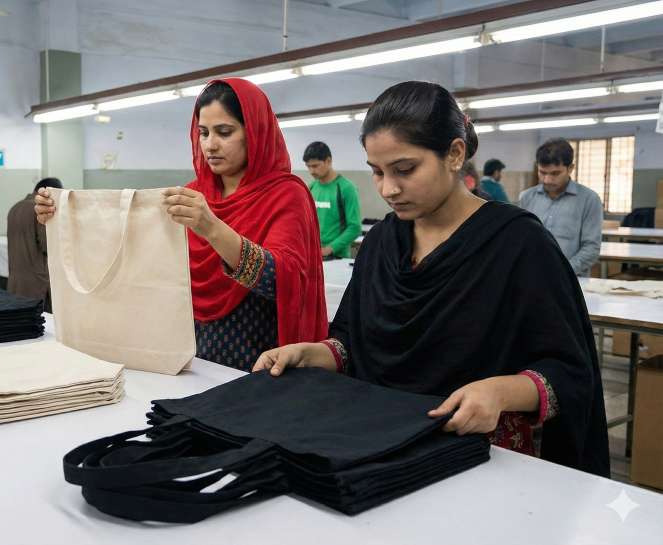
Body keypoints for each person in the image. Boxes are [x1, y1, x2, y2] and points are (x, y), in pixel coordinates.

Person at [252, 81, 609, 477]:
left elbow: (570, 374)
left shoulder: (518, 245)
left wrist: (498, 391)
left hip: (479, 459)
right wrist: (308, 354)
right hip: (375, 448)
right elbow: (353, 345)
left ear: (455, 154)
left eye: (405, 170)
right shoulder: (382, 243)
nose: (389, 188)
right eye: (377, 172)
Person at [35, 79, 328, 371]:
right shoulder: (192, 196)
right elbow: (135, 255)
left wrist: (213, 228)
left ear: (255, 132)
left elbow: (285, 280)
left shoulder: (287, 195)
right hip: (188, 361)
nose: (210, 144)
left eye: (224, 132)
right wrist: (64, 218)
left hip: (256, 361)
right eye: (203, 133)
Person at [519, 138, 603, 277]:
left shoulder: (589, 200)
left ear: (570, 168)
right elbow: (521, 241)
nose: (547, 180)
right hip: (532, 278)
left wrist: (563, 271)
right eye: (542, 172)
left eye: (555, 173)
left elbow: (591, 247)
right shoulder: (527, 198)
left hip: (571, 280)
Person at [7, 177, 61, 313]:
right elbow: (47, 245)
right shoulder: (39, 210)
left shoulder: (15, 207)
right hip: (38, 282)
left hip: (17, 279)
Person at [304, 142, 361, 259]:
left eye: (315, 166)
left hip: (336, 257)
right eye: (308, 166)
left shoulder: (347, 188)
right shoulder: (310, 188)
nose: (311, 171)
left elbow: (354, 228)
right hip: (312, 255)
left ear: (328, 161)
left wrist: (329, 249)